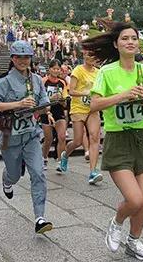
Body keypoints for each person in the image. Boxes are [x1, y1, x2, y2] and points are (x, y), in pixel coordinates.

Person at [85, 22, 143, 260]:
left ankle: (134, 242)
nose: (130, 42)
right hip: (118, 138)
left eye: (134, 38)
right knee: (134, 199)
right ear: (116, 44)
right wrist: (123, 96)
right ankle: (116, 223)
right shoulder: (107, 72)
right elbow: (93, 105)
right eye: (125, 38)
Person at [0, 40, 53, 234]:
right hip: (10, 135)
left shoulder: (37, 80)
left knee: (39, 173)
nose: (23, 61)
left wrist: (44, 108)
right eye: (19, 57)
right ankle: (7, 179)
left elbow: (45, 103)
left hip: (31, 134)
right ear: (13, 59)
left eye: (27, 57)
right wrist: (18, 104)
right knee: (14, 174)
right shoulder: (4, 82)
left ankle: (40, 217)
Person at [59, 49, 102, 184]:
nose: (92, 58)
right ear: (84, 56)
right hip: (78, 108)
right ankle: (65, 155)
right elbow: (71, 91)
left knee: (95, 137)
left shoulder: (98, 72)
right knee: (77, 141)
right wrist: (86, 93)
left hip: (93, 109)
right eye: (89, 55)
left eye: (94, 56)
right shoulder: (78, 70)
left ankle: (93, 171)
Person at [40, 59, 68, 170]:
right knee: (48, 138)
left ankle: (60, 162)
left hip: (59, 111)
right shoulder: (43, 81)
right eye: (54, 68)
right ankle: (44, 158)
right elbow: (40, 98)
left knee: (62, 137)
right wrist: (50, 98)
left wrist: (61, 99)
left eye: (58, 69)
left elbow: (65, 102)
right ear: (49, 69)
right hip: (46, 111)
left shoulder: (62, 82)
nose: (56, 71)